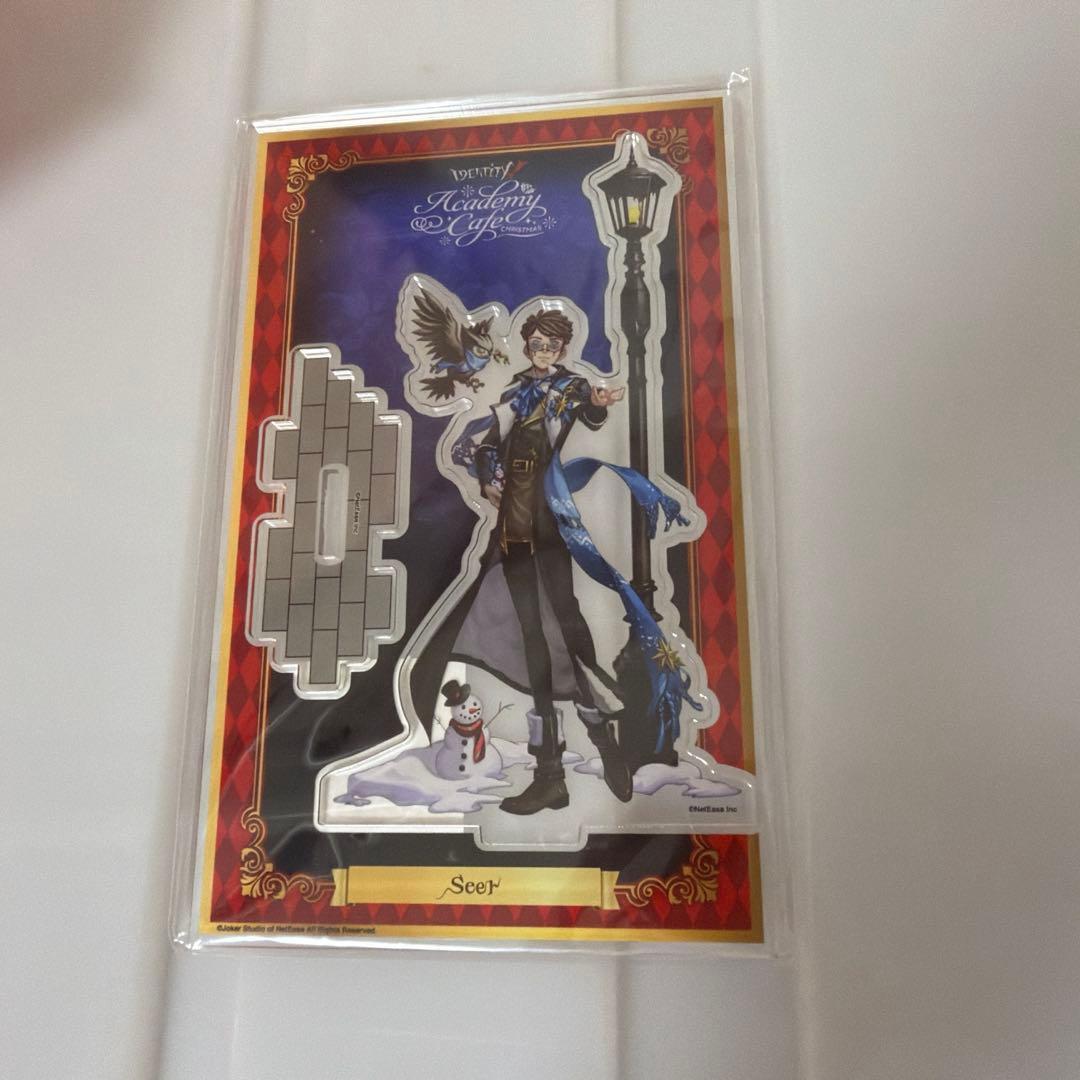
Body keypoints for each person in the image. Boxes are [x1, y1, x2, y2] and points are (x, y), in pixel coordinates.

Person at [410, 307, 633, 814]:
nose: (543, 351)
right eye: (537, 343)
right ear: (528, 343)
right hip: (513, 520)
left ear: (563, 348)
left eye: (552, 345)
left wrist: (598, 404)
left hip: (548, 520)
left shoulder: (569, 387)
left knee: (567, 632)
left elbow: (591, 413)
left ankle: (604, 738)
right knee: (533, 637)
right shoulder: (515, 390)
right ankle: (549, 774)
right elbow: (486, 444)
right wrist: (489, 479)